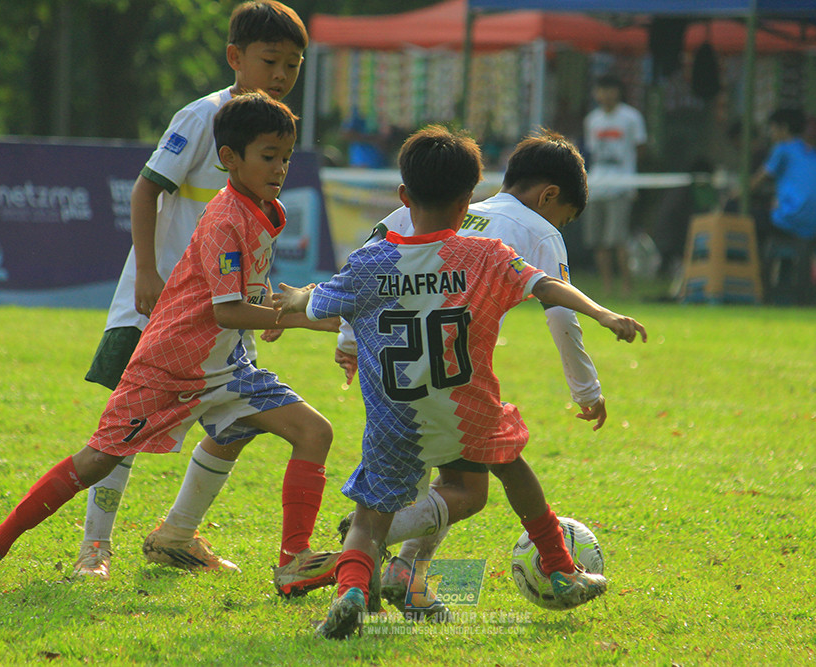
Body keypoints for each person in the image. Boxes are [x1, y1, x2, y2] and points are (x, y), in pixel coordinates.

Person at [0, 94, 339, 596]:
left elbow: (243, 292)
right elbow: (225, 311)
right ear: (229, 158)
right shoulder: (224, 218)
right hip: (169, 367)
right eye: (269, 156)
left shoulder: (268, 209)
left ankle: (292, 562)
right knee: (97, 460)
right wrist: (301, 317)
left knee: (315, 432)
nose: (281, 167)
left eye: (286, 156)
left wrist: (277, 305)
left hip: (229, 368)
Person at [274, 125, 647, 639]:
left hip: (395, 415)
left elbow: (322, 298)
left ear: (404, 197)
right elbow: (549, 289)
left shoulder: (372, 259)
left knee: (368, 518)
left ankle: (353, 590)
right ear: (466, 198)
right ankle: (559, 566)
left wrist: (304, 305)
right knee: (505, 470)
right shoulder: (486, 254)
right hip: (464, 406)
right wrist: (604, 314)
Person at [76, 1, 335, 583]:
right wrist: (147, 272)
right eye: (271, 60)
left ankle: (176, 535)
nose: (281, 75)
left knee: (237, 425)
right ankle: (94, 548)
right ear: (235, 57)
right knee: (123, 431)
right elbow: (146, 191)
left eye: (293, 65)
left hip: (223, 312)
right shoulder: (205, 116)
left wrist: (262, 302)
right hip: (164, 306)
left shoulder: (272, 132)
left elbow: (250, 235)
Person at [748, 107, 816, 305]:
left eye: (772, 129)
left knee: (746, 218)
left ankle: (756, 284)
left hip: (792, 221)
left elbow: (756, 182)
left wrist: (737, 192)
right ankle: (783, 284)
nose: (770, 134)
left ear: (783, 129)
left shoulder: (783, 149)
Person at [581, 73, 647, 297]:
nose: (606, 95)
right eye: (601, 90)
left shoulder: (631, 117)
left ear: (618, 92)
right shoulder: (592, 120)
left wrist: (632, 180)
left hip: (621, 186)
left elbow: (640, 148)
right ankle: (607, 286)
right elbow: (591, 152)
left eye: (610, 89)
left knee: (618, 239)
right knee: (598, 241)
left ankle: (627, 286)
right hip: (597, 186)